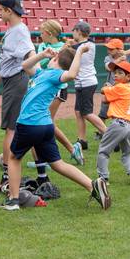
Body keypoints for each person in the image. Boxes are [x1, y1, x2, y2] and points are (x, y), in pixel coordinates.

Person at [2, 44, 110, 211]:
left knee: (14, 159)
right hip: (45, 126)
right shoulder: (42, 73)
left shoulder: (56, 75)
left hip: (29, 124)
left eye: (51, 57)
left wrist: (79, 52)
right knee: (57, 164)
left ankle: (13, 200)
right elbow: (25, 66)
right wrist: (42, 55)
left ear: (56, 59)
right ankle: (93, 185)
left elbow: (72, 74)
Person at [0, 0, 35, 180]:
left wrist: (37, 73)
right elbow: (9, 62)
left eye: (1, 10)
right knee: (13, 127)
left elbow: (29, 55)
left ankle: (8, 170)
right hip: (11, 79)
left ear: (8, 10)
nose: (0, 14)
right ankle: (33, 167)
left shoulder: (20, 31)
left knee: (11, 129)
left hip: (17, 80)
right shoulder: (13, 30)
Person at [36, 19, 83, 166]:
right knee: (43, 122)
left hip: (58, 88)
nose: (39, 34)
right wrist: (46, 55)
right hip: (44, 87)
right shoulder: (43, 46)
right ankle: (43, 159)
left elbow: (68, 66)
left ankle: (68, 150)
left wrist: (56, 53)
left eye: (42, 32)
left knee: (46, 121)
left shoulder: (63, 47)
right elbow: (39, 65)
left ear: (49, 33)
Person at [96, 61, 130, 185]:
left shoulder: (120, 87)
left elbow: (103, 94)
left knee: (103, 151)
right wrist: (109, 89)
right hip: (127, 125)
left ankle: (103, 178)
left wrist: (106, 86)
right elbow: (105, 98)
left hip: (118, 124)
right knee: (127, 152)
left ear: (128, 77)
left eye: (120, 73)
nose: (115, 75)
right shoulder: (126, 88)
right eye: (115, 72)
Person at [70, 21, 107, 153]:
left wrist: (66, 45)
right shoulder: (85, 43)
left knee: (87, 113)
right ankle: (82, 141)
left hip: (87, 82)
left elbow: (74, 49)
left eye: (74, 30)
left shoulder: (86, 45)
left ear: (79, 31)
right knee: (78, 112)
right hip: (81, 82)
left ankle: (110, 137)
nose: (72, 33)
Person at [98, 38, 130, 123]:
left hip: (124, 88)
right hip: (111, 87)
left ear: (119, 50)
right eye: (108, 48)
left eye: (111, 49)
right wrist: (119, 60)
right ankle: (100, 132)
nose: (108, 50)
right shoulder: (108, 58)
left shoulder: (125, 55)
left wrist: (125, 52)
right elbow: (108, 68)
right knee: (103, 113)